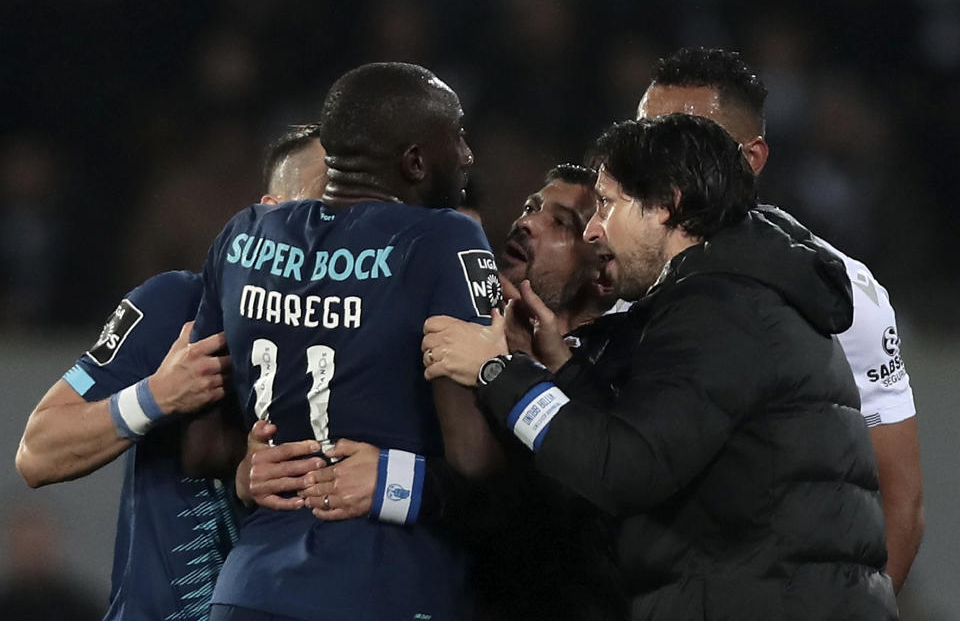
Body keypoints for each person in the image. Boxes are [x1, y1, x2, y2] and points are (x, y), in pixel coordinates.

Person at [423, 114, 898, 619]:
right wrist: (564, 370)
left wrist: (498, 372)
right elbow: (649, 437)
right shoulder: (729, 295)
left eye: (606, 204)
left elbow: (624, 469)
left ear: (666, 206)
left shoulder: (722, 308)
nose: (595, 228)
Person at [191, 62, 501, 621]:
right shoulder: (445, 238)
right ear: (414, 161)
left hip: (249, 590)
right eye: (456, 135)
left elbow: (202, 448)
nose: (467, 154)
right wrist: (395, 482)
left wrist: (252, 465)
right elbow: (474, 458)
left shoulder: (241, 235)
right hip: (382, 585)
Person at [14, 123, 328, 621]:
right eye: (325, 203)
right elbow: (39, 451)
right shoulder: (174, 306)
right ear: (270, 214)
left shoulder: (374, 340)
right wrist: (157, 396)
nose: (343, 229)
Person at [636, 46, 922, 593]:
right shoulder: (607, 278)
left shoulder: (845, 295)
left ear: (752, 159)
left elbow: (901, 501)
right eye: (644, 141)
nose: (652, 164)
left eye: (683, 143)